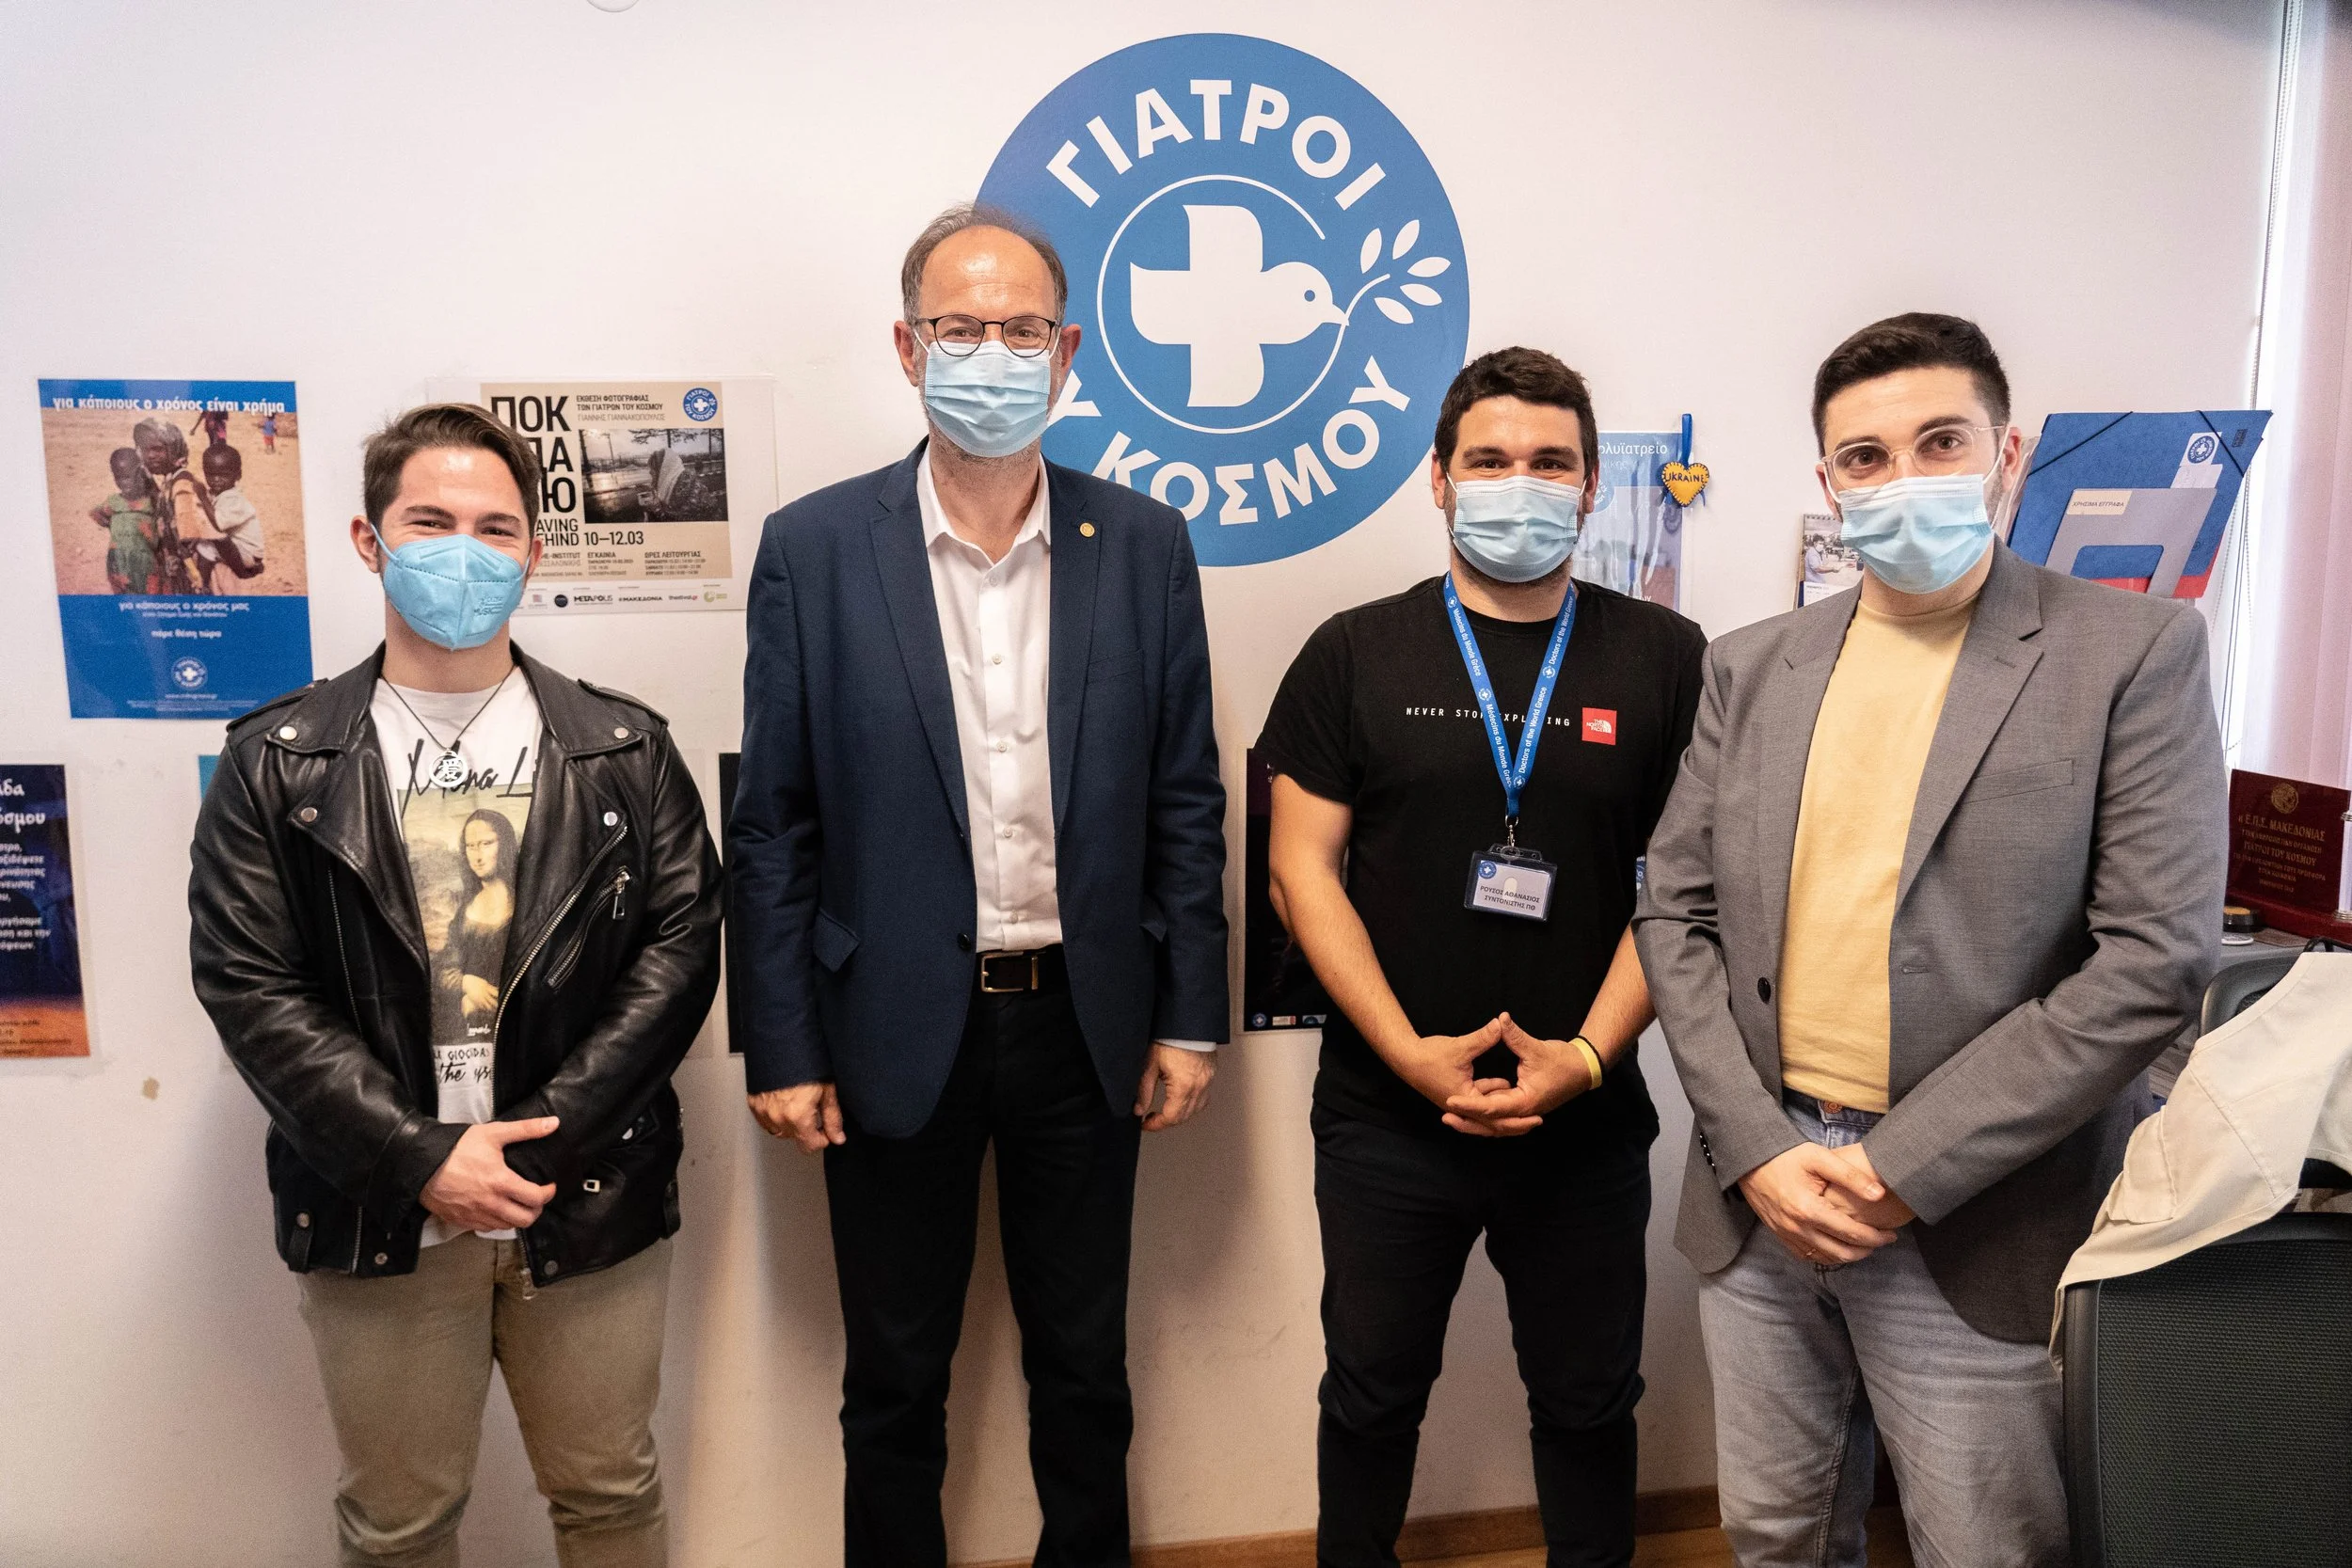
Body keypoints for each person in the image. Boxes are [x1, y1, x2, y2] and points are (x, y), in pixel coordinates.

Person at [1633, 312, 2225, 1567]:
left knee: (1984, 1542)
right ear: (1829, 483)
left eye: (1939, 440)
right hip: (1763, 1193)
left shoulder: (2129, 653)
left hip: (1978, 1207)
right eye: (1864, 456)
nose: (1902, 476)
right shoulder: (1751, 665)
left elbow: (2152, 963)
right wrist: (1756, 1148)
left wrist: (1902, 1164)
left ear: (2006, 455)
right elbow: (1673, 912)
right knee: (1776, 1527)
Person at [729, 203, 1229, 1568]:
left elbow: (1188, 797)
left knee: (1086, 1371)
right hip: (889, 1022)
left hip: (1085, 1022)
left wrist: (1191, 1014)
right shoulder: (815, 548)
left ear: (1068, 350)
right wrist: (782, 1037)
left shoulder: (1144, 543)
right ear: (907, 347)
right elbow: (773, 822)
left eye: (1021, 330)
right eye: (961, 328)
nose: (992, 354)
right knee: (894, 1380)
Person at [189, 402, 723, 1568]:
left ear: (534, 548)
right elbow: (247, 980)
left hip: (579, 1187)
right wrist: (422, 1154)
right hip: (376, 1197)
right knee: (398, 1523)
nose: (463, 551)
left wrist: (542, 1137)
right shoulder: (276, 760)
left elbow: (680, 949)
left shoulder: (623, 750)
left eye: (494, 525)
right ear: (367, 539)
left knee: (609, 1491)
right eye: (429, 520)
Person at [1258, 347, 1705, 1568]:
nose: (1522, 482)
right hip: (1386, 1115)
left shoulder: (1666, 659)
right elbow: (1303, 871)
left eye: (1549, 461)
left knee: (1588, 1404)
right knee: (1369, 1392)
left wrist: (1585, 1052)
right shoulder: (1355, 652)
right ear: (1441, 479)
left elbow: (1685, 887)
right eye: (1491, 460)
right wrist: (1406, 1053)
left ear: (1591, 479)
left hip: (1585, 1116)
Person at [133, 416, 207, 594]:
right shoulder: (170, 480)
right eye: (145, 449)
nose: (150, 455)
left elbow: (189, 537)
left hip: (191, 574)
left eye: (158, 449)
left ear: (174, 450)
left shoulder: (181, 485)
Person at [89, 445, 164, 594]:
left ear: (141, 473)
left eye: (129, 476)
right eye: (119, 477)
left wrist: (148, 476)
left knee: (149, 607)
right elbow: (96, 514)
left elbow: (159, 498)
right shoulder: (114, 502)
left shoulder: (151, 502)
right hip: (117, 566)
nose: (124, 483)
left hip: (145, 566)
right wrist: (116, 529)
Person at [193, 441, 266, 591]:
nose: (216, 480)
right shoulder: (222, 493)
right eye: (211, 474)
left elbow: (218, 524)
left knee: (204, 547)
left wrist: (202, 497)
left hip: (247, 553)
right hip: (247, 552)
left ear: (238, 475)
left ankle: (205, 584)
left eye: (223, 475)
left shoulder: (233, 499)